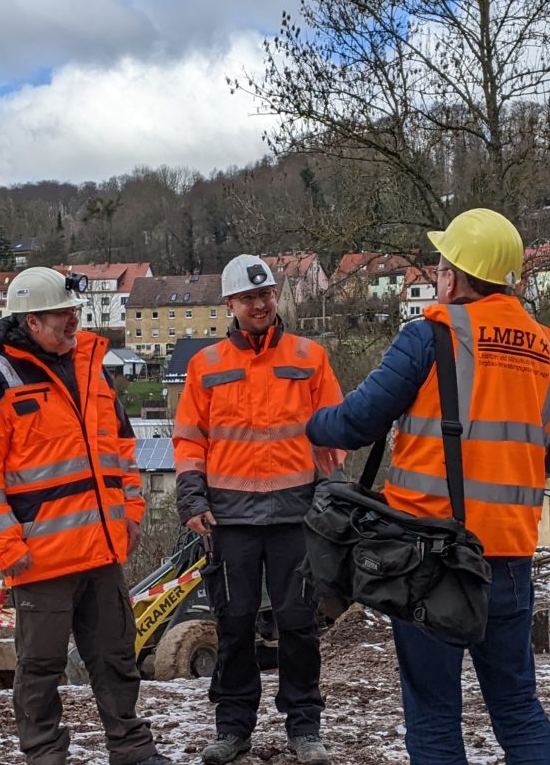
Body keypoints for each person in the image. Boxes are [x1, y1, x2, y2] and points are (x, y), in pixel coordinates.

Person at [306, 208, 550, 765]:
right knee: (517, 707)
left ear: (453, 276)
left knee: (435, 715)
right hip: (508, 559)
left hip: (428, 560)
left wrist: (308, 420)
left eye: (442, 265)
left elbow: (354, 424)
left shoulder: (429, 337)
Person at [0, 267, 169, 765]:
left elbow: (122, 452)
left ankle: (132, 750)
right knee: (40, 667)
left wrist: (131, 514)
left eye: (74, 312)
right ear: (31, 322)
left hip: (103, 553)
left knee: (116, 660)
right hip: (40, 561)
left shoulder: (95, 371)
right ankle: (45, 754)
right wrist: (9, 549)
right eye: (62, 314)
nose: (74, 320)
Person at [173, 254, 345, 765]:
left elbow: (333, 434)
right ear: (230, 304)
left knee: (298, 624)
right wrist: (191, 498)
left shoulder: (310, 357)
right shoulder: (205, 366)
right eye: (249, 298)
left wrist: (330, 494)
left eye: (266, 294)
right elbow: (188, 440)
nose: (260, 304)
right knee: (233, 624)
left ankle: (305, 726)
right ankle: (233, 727)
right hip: (231, 520)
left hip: (297, 516)